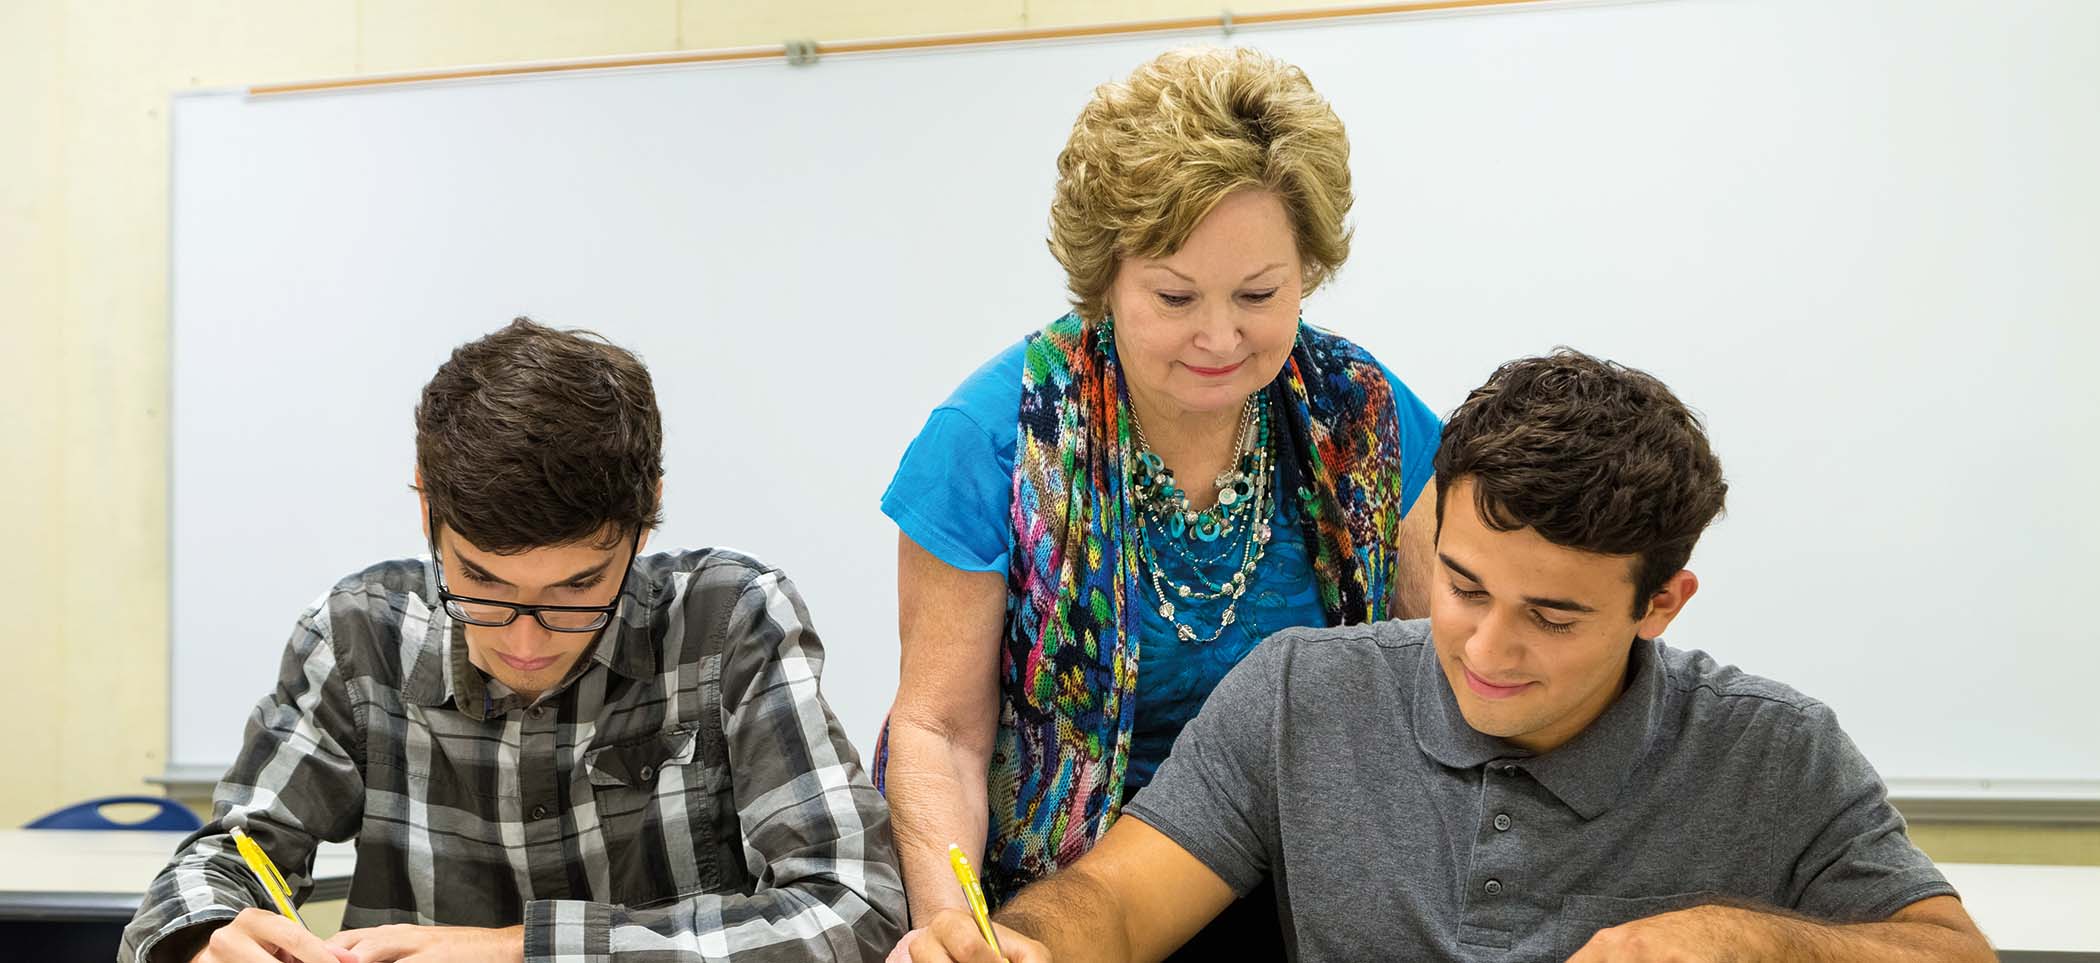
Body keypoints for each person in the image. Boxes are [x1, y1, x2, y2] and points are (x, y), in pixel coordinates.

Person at [908, 350, 1993, 963]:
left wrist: (1735, 943)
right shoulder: (1303, 693)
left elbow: (1952, 954)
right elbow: (1121, 902)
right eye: (1465, 585)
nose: (1487, 647)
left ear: (1662, 601)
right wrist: (1027, 948)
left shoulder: (1772, 749)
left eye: (1555, 617)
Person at [875, 46, 1444, 958]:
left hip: (1318, 889)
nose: (1220, 336)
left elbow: (1451, 662)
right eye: (1175, 296)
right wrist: (956, 930)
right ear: (1106, 278)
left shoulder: (1360, 413)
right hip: (1067, 899)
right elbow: (939, 729)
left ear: (1310, 267)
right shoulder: (995, 435)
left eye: (1260, 293)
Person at [122, 319, 906, 963]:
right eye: (484, 584)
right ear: (426, 503)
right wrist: (205, 933)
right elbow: (229, 857)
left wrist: (522, 950)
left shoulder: (728, 623)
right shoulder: (360, 634)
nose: (526, 642)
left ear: (648, 514)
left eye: (576, 588)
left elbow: (857, 908)